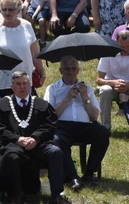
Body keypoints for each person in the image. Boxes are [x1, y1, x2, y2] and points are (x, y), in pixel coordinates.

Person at [0, 71, 70, 204]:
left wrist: (35, 138)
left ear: (29, 85)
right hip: (14, 145)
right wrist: (17, 139)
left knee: (55, 152)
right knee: (11, 157)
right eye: (18, 84)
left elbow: (50, 126)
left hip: (38, 145)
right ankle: (16, 195)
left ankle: (57, 195)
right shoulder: (2, 105)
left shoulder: (41, 104)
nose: (22, 87)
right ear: (12, 86)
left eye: (24, 83)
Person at [45, 56, 108, 190]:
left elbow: (94, 116)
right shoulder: (53, 88)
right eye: (67, 69)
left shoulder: (87, 89)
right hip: (62, 126)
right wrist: (67, 98)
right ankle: (73, 177)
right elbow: (50, 116)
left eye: (74, 69)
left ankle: (89, 174)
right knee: (56, 140)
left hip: (83, 126)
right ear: (61, 71)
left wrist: (85, 98)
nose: (71, 72)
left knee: (102, 132)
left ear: (78, 71)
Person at [97, 29, 129, 134]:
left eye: (128, 46)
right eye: (122, 47)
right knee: (105, 90)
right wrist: (113, 83)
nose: (125, 49)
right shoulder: (108, 52)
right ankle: (105, 128)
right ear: (117, 42)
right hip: (113, 87)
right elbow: (99, 80)